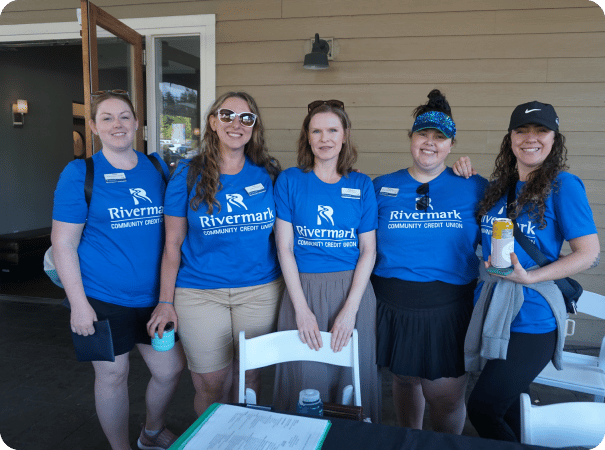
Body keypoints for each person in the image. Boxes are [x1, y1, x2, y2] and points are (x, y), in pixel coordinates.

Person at [52, 90, 185, 450]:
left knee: (169, 369)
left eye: (124, 116)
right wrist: (78, 305)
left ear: (137, 123)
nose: (117, 124)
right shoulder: (81, 172)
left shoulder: (156, 167)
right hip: (102, 298)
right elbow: (63, 244)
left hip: (155, 299)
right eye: (107, 118)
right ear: (93, 126)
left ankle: (150, 432)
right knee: (113, 375)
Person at [459, 101, 600, 441]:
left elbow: (589, 253)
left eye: (541, 131)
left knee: (483, 407)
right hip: (494, 309)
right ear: (510, 138)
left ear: (555, 139)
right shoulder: (498, 187)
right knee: (507, 407)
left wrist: (531, 277)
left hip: (534, 317)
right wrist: (459, 170)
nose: (530, 138)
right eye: (521, 130)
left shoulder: (563, 185)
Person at [148, 92, 284, 416]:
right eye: (227, 115)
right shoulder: (186, 174)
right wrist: (165, 303)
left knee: (249, 381)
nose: (236, 124)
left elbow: (283, 238)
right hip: (199, 293)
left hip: (260, 291)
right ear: (213, 121)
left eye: (246, 118)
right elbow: (172, 244)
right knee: (212, 385)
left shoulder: (269, 173)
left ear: (254, 126)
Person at [371, 89, 488, 434]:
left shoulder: (475, 187)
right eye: (423, 134)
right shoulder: (381, 187)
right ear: (411, 138)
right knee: (405, 381)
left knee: (445, 397)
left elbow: (502, 233)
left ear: (451, 145)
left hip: (448, 307)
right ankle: (411, 441)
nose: (430, 142)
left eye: (440, 137)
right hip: (391, 303)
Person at [272, 100, 381, 423]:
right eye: (316, 131)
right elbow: (285, 249)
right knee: (306, 382)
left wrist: (350, 310)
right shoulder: (290, 181)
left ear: (345, 135)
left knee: (352, 382)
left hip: (353, 292)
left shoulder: (361, 184)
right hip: (302, 290)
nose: (325, 138)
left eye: (333, 130)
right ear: (307, 137)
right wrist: (301, 310)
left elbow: (368, 251)